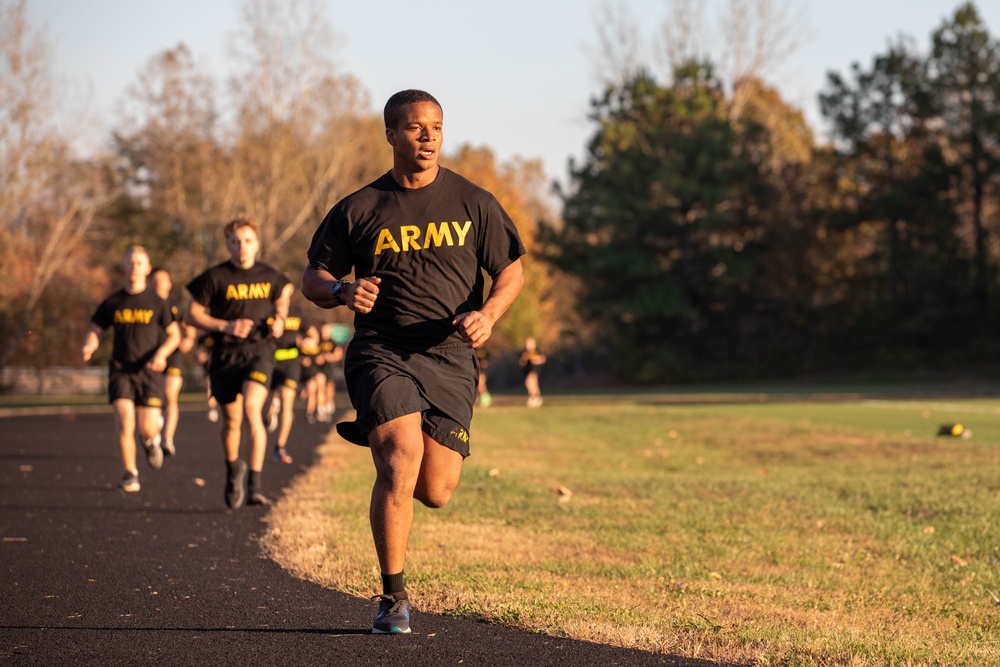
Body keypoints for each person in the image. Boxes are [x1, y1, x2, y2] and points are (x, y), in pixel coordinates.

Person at [302, 89, 525, 635]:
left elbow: (512, 271)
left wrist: (490, 316)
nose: (427, 137)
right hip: (382, 349)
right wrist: (341, 292)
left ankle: (390, 430)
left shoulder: (474, 202)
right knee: (399, 461)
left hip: (450, 356)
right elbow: (314, 277)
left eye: (436, 127)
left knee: (436, 491)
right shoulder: (360, 208)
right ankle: (393, 597)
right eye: (415, 127)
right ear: (391, 135)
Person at [185, 216, 293, 509]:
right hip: (225, 354)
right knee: (231, 421)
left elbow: (285, 293)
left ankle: (255, 484)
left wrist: (280, 317)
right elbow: (190, 314)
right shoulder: (215, 277)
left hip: (259, 351)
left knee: (251, 409)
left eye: (247, 241)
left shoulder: (270, 275)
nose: (241, 247)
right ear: (227, 246)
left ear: (256, 244)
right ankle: (234, 470)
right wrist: (224, 326)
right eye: (235, 242)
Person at [82, 245, 181, 492]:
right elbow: (95, 329)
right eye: (130, 262)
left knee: (147, 428)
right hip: (121, 369)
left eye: (139, 263)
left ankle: (150, 442)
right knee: (125, 422)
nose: (134, 267)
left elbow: (174, 335)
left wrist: (161, 354)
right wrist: (90, 344)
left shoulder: (157, 302)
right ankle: (130, 473)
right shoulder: (113, 301)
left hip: (148, 371)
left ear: (147, 268)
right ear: (124, 267)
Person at [151, 267, 198, 456]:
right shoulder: (146, 303)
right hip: (150, 355)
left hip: (173, 356)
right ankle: (155, 428)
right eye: (154, 281)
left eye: (162, 280)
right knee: (156, 397)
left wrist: (189, 339)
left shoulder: (175, 305)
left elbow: (189, 325)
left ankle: (167, 439)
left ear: (169, 284)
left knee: (170, 394)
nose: (158, 284)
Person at [266, 305, 310, 464]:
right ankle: (271, 408)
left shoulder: (298, 313)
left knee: (287, 400)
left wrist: (307, 342)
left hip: (291, 363)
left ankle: (280, 447)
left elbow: (312, 335)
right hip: (268, 361)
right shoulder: (266, 310)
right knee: (265, 407)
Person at [519, 336, 546, 408]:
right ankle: (536, 397)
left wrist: (536, 359)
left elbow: (543, 359)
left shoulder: (537, 351)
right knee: (533, 385)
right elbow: (521, 363)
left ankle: (534, 397)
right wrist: (524, 359)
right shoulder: (524, 353)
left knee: (529, 382)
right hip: (527, 371)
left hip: (534, 371)